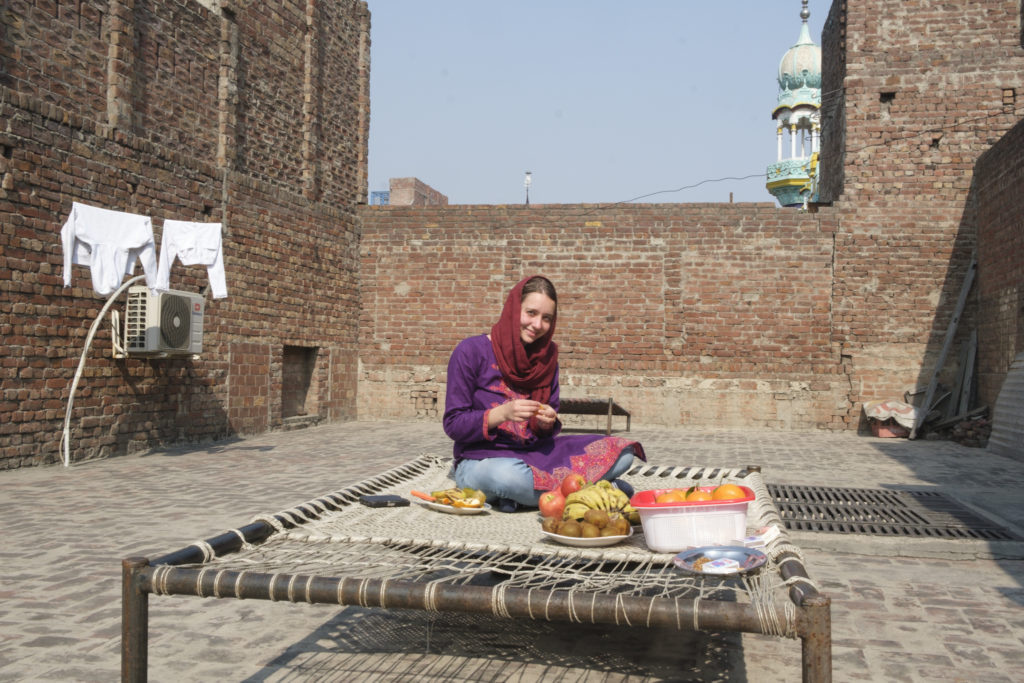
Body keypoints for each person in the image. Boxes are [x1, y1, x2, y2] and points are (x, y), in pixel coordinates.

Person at [442, 275, 646, 511]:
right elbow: (453, 423)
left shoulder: (546, 360)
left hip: (534, 455)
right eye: (531, 313)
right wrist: (501, 414)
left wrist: (547, 422)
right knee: (506, 477)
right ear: (513, 309)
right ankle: (585, 490)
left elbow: (543, 434)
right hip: (481, 460)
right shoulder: (470, 351)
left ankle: (522, 497)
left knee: (623, 453)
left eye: (546, 318)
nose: (537, 325)